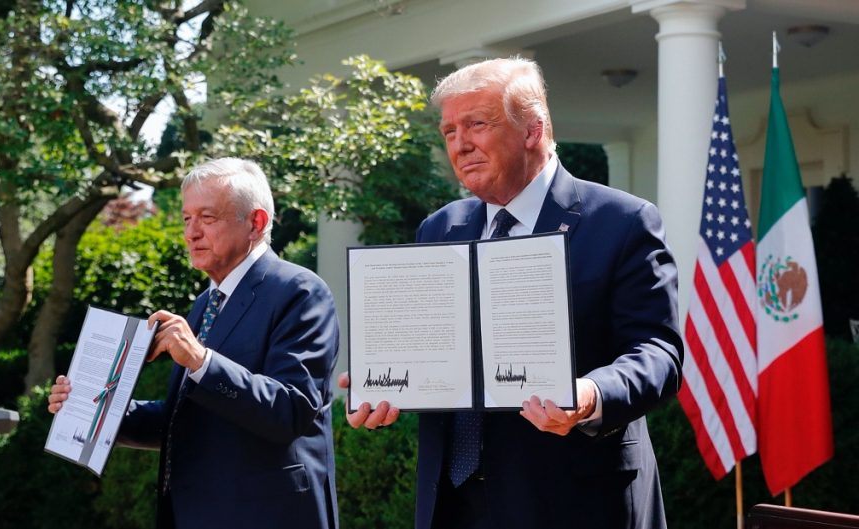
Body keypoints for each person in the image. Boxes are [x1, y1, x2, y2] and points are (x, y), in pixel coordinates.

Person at [341, 57, 684, 529]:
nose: (460, 145)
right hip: (453, 506)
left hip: (574, 501)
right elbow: (428, 349)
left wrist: (589, 394)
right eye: (449, 132)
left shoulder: (622, 222)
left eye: (476, 125)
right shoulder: (440, 228)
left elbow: (658, 353)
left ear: (532, 129)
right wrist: (381, 382)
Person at [48, 158, 340, 529]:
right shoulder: (206, 302)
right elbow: (184, 420)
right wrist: (96, 410)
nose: (191, 233)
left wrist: (201, 361)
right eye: (186, 219)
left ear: (257, 223)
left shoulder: (300, 292)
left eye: (208, 217)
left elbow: (291, 411)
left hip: (266, 514)